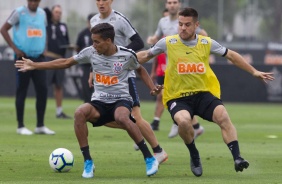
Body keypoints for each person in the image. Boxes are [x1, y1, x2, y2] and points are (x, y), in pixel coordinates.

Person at [137, 7, 274, 176]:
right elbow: (145, 55)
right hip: (177, 97)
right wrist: (123, 59)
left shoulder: (205, 42)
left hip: (203, 94)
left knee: (223, 116)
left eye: (187, 25)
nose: (183, 28)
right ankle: (194, 154)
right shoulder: (168, 42)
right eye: (180, 24)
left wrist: (254, 71)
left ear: (196, 25)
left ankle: (237, 157)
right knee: (184, 122)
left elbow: (231, 55)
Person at [15, 23, 161, 178]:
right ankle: (88, 162)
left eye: (97, 41)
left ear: (109, 41)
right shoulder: (90, 52)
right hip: (99, 102)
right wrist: (35, 65)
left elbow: (140, 69)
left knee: (122, 117)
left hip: (121, 100)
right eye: (93, 41)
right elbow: (65, 62)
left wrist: (152, 87)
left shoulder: (127, 55)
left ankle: (149, 158)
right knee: (79, 112)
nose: (93, 45)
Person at [89, 0, 168, 163]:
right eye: (98, 0)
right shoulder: (94, 21)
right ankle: (136, 133)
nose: (101, 3)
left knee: (135, 118)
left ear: (111, 1)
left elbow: (138, 42)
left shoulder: (119, 19)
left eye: (105, 0)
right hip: (106, 78)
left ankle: (158, 151)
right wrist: (92, 70)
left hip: (123, 75)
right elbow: (97, 51)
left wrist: (121, 57)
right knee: (97, 117)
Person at [147, 0, 206, 138]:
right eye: (169, 2)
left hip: (185, 66)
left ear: (179, 4)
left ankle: (176, 123)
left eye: (174, 2)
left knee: (171, 95)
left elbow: (204, 34)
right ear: (166, 5)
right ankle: (195, 126)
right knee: (174, 95)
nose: (172, 5)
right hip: (171, 65)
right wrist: (152, 39)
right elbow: (157, 36)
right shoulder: (163, 22)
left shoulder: (185, 21)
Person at [0, 0, 55, 135]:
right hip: (23, 57)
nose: (33, 3)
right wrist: (14, 48)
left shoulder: (42, 13)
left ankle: (40, 125)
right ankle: (20, 126)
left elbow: (44, 32)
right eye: (31, 0)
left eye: (36, 1)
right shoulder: (19, 12)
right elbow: (3, 29)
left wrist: (45, 47)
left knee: (42, 90)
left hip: (39, 58)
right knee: (22, 90)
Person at [44, 5, 71, 119]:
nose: (58, 14)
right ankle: (42, 110)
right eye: (56, 12)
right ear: (52, 13)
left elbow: (67, 41)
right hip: (49, 57)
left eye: (60, 12)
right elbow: (44, 10)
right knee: (44, 85)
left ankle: (59, 111)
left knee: (59, 85)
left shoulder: (63, 26)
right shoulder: (46, 24)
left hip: (60, 58)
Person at [76, 13, 96, 103]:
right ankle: (87, 107)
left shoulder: (99, 34)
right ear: (88, 22)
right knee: (86, 88)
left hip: (97, 65)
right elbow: (78, 47)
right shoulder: (83, 34)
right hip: (85, 66)